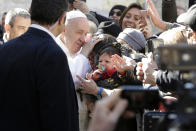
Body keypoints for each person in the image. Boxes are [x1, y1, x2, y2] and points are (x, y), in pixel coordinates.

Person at [0, 0, 79, 131]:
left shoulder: (5, 49)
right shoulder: (52, 55)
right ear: (62, 18)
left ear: (30, 12)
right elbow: (60, 115)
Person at [56, 10, 102, 131]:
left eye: (85, 34)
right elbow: (69, 80)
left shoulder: (82, 55)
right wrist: (84, 54)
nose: (83, 39)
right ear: (64, 30)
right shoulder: (53, 50)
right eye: (79, 32)